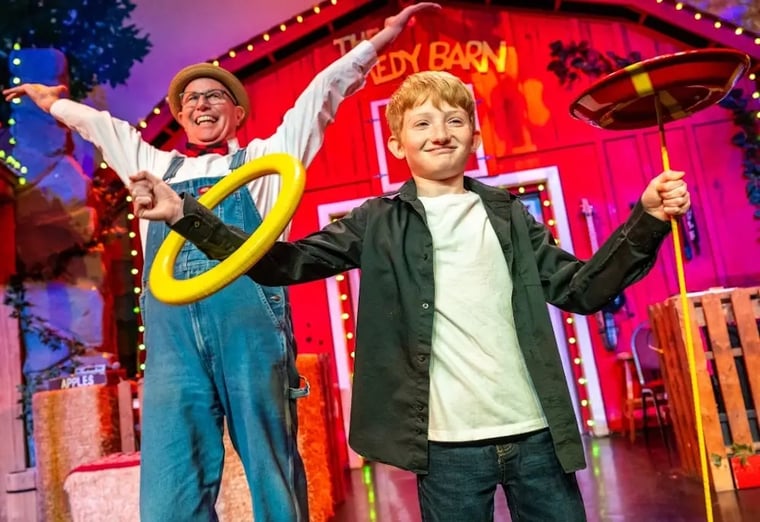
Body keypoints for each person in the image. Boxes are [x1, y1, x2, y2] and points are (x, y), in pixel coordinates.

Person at [128, 70, 691, 522]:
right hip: (445, 450)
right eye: (422, 122)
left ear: (474, 137)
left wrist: (645, 219)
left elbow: (582, 290)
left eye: (454, 120)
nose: (439, 132)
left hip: (536, 437)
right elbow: (280, 263)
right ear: (397, 143)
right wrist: (183, 214)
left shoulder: (509, 216)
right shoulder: (374, 221)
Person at [3, 4, 440, 521]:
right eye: (190, 99)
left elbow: (321, 94)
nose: (201, 103)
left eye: (214, 95)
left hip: (247, 328)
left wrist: (379, 39)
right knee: (170, 482)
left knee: (271, 467)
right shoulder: (153, 165)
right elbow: (101, 126)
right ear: (181, 117)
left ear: (236, 113)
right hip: (173, 345)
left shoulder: (265, 161)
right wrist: (53, 104)